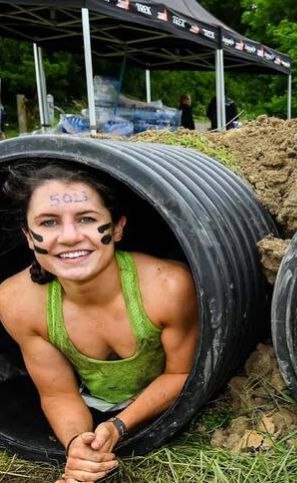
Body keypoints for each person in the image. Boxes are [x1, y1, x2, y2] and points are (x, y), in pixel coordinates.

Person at [0, 163, 198, 483]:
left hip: (165, 401)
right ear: (27, 236)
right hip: (90, 399)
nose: (69, 237)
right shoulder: (16, 302)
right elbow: (59, 394)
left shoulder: (168, 287)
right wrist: (79, 444)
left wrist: (117, 426)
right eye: (48, 223)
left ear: (118, 227)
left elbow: (181, 373)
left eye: (87, 219)